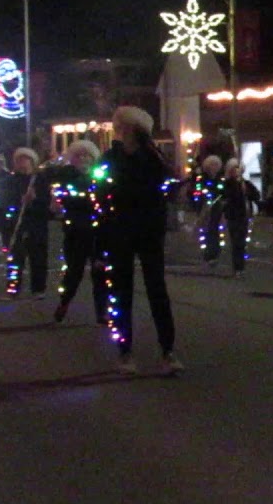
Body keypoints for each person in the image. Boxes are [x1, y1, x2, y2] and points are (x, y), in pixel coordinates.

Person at [94, 106, 184, 375]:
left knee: (157, 289)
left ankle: (167, 350)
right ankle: (125, 350)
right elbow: (99, 197)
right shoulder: (110, 158)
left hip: (149, 230)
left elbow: (168, 190)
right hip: (119, 230)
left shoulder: (154, 159)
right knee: (121, 292)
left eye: (121, 126)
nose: (117, 130)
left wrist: (176, 186)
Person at [51, 139, 107, 326]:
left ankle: (102, 312)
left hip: (99, 232)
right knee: (74, 271)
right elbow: (62, 201)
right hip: (76, 231)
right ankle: (64, 302)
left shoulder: (100, 178)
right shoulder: (66, 178)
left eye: (87, 155)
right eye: (79, 155)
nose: (83, 159)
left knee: (100, 272)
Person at [0, 147, 50, 299]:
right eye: (19, 160)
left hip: (36, 223)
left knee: (38, 258)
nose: (22, 163)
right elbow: (3, 200)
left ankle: (38, 289)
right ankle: (13, 289)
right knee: (15, 258)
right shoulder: (10, 181)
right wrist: (19, 201)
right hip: (16, 224)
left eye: (26, 160)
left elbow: (47, 203)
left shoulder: (40, 180)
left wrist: (35, 199)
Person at [222, 158, 260, 278]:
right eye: (234, 169)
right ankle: (237, 267)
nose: (236, 171)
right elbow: (228, 197)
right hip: (233, 216)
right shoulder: (228, 184)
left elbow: (256, 195)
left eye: (238, 169)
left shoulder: (246, 183)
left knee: (242, 242)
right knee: (236, 242)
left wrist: (248, 192)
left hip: (244, 216)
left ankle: (241, 267)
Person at [191, 155, 226, 264]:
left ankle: (215, 252)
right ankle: (208, 253)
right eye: (212, 165)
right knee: (205, 230)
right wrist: (202, 198)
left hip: (217, 208)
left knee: (215, 230)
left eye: (216, 165)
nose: (214, 167)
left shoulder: (220, 179)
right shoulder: (201, 178)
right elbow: (197, 192)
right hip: (204, 207)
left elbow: (223, 192)